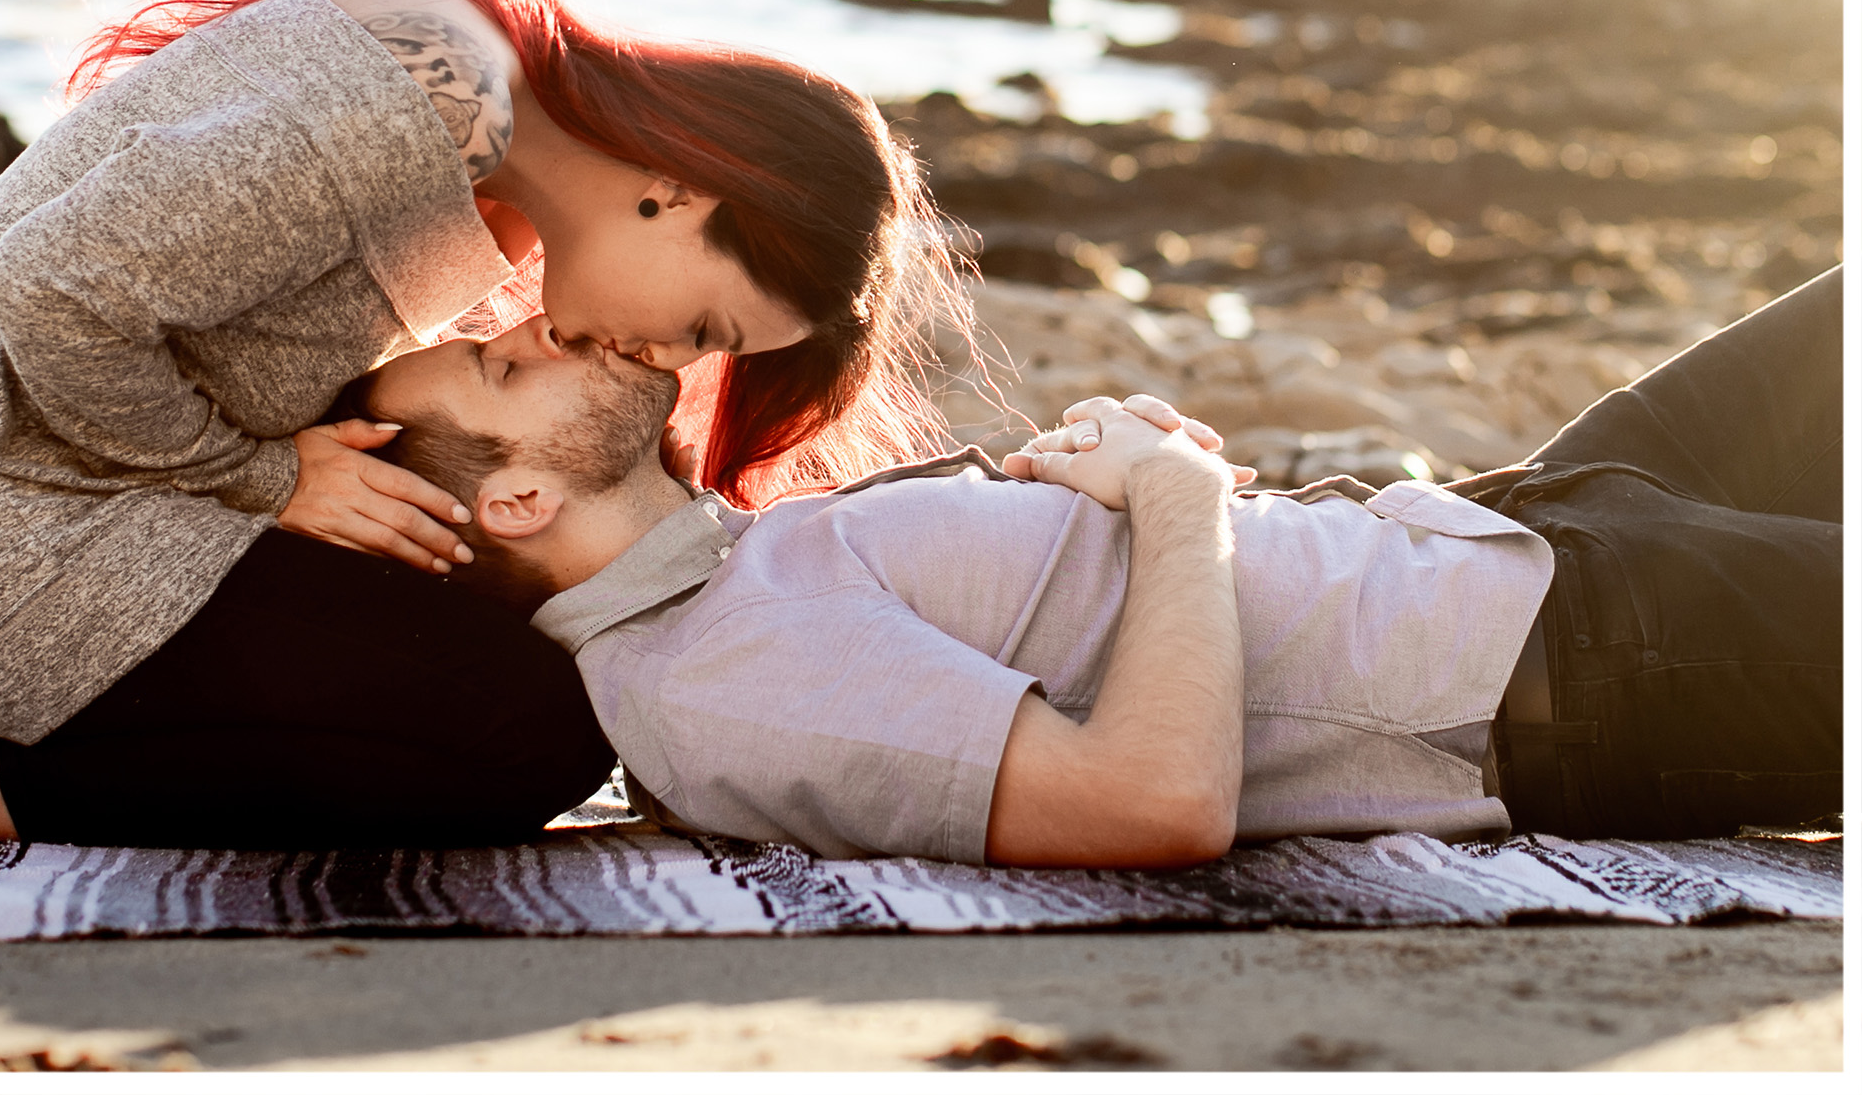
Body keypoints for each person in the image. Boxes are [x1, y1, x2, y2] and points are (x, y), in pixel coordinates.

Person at [0, 0, 964, 846]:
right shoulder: (439, 96)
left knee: (516, 663)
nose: (667, 365)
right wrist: (262, 476)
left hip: (57, 507)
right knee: (530, 730)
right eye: (701, 325)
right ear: (689, 192)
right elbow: (57, 293)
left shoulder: (491, 156)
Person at [348, 267, 1842, 864]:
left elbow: (1090, 607)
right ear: (519, 496)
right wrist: (1178, 498)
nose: (535, 325)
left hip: (1520, 519)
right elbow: (1155, 800)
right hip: (1581, 661)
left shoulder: (735, 572)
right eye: (494, 364)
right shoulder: (715, 682)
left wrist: (1125, 471)